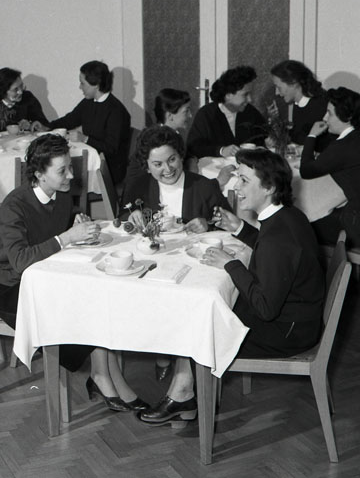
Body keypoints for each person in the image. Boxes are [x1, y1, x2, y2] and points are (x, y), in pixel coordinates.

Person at [138, 148, 325, 426]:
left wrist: (231, 264)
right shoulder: (288, 216)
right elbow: (273, 255)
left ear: (269, 187)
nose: (236, 186)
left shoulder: (278, 238)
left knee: (198, 326)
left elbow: (265, 307)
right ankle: (184, 391)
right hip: (298, 320)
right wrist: (240, 228)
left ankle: (182, 395)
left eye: (245, 180)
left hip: (287, 333)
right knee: (205, 312)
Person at [0, 134, 148, 412]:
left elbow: (53, 233)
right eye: (62, 171)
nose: (71, 176)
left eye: (70, 167)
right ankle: (103, 377)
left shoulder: (60, 195)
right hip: (12, 289)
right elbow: (20, 261)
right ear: (39, 174)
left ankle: (107, 377)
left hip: (45, 278)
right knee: (85, 310)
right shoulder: (15, 205)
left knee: (98, 300)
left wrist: (76, 227)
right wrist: (67, 237)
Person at [122, 125, 231, 382]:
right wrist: (131, 216)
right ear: (147, 166)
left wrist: (207, 223)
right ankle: (164, 349)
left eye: (172, 160)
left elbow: (227, 222)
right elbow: (123, 220)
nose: (167, 169)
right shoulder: (139, 186)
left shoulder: (204, 186)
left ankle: (182, 358)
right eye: (157, 164)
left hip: (194, 266)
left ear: (181, 156)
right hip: (153, 263)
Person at [42, 61, 131, 185]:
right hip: (92, 162)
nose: (80, 87)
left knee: (59, 173)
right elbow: (69, 120)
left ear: (96, 85)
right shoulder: (88, 102)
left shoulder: (116, 111)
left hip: (109, 169)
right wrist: (46, 126)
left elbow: (111, 149)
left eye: (82, 83)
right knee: (56, 171)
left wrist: (85, 139)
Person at [300, 86, 360, 249]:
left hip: (356, 224)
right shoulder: (355, 137)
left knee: (302, 225)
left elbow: (305, 171)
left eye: (330, 113)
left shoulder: (343, 146)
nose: (325, 118)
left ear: (347, 116)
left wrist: (311, 136)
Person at [186, 66, 266, 160]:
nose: (250, 99)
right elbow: (194, 147)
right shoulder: (206, 114)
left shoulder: (250, 112)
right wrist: (221, 150)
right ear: (228, 95)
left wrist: (267, 142)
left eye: (250, 94)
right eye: (245, 95)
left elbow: (262, 136)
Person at [270, 60, 333, 149]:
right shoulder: (298, 104)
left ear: (293, 83)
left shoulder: (321, 105)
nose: (277, 92)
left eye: (278, 87)